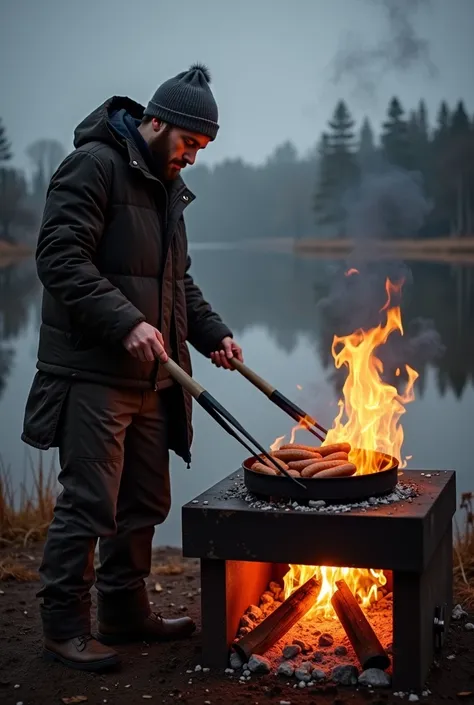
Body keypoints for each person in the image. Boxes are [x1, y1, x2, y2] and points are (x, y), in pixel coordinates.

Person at [21, 63, 243, 672]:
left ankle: (123, 610)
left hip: (153, 374)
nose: (194, 158)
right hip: (91, 373)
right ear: (158, 122)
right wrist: (124, 322)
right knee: (90, 502)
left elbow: (175, 282)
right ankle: (63, 627)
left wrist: (214, 333)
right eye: (191, 144)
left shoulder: (167, 187)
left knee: (143, 499)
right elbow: (59, 257)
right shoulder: (93, 166)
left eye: (202, 149)